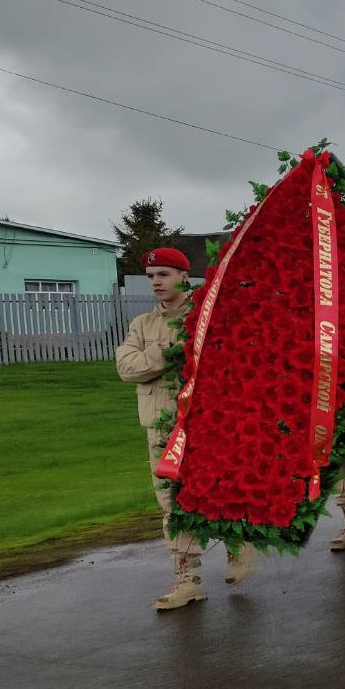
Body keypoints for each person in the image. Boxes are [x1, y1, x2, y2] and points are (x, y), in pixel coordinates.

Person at [116, 248, 240, 610]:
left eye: (165, 274)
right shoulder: (141, 324)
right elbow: (127, 367)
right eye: (152, 275)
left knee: (215, 492)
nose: (156, 282)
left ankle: (238, 545)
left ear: (185, 277)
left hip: (204, 424)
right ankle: (189, 578)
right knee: (172, 501)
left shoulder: (205, 316)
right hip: (160, 426)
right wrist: (170, 350)